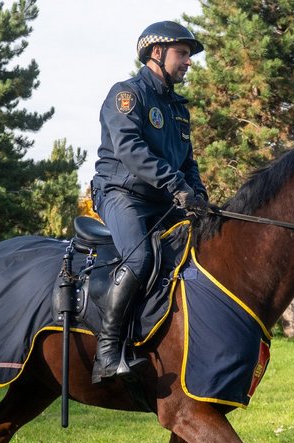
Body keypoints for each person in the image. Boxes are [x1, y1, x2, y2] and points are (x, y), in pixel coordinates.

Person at [90, 21, 209, 384]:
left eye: (189, 55)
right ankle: (108, 354)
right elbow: (130, 150)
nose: (189, 62)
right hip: (120, 193)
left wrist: (199, 194)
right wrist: (176, 184)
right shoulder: (127, 95)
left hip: (163, 200)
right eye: (183, 53)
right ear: (156, 53)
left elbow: (188, 161)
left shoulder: (177, 108)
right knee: (140, 259)